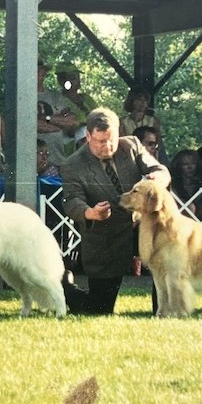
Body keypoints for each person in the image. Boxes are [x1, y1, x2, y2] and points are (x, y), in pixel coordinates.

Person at [61, 108, 169, 315]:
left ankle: (162, 311)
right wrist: (90, 213)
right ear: (88, 136)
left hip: (141, 225)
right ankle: (67, 288)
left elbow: (159, 169)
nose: (107, 146)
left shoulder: (132, 145)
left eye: (111, 140)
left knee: (165, 257)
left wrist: (159, 179)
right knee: (99, 310)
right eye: (100, 142)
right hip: (105, 237)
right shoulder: (72, 165)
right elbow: (71, 200)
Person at [36, 60, 77, 167]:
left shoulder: (56, 96)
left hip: (58, 162)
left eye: (40, 70)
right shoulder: (21, 97)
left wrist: (46, 118)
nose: (38, 73)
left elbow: (71, 121)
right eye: (34, 69)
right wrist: (59, 125)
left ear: (44, 72)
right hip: (31, 165)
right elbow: (31, 125)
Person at [169, 149, 202, 219]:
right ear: (178, 166)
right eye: (185, 164)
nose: (190, 167)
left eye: (193, 163)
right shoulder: (173, 183)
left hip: (199, 211)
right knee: (190, 207)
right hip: (177, 212)